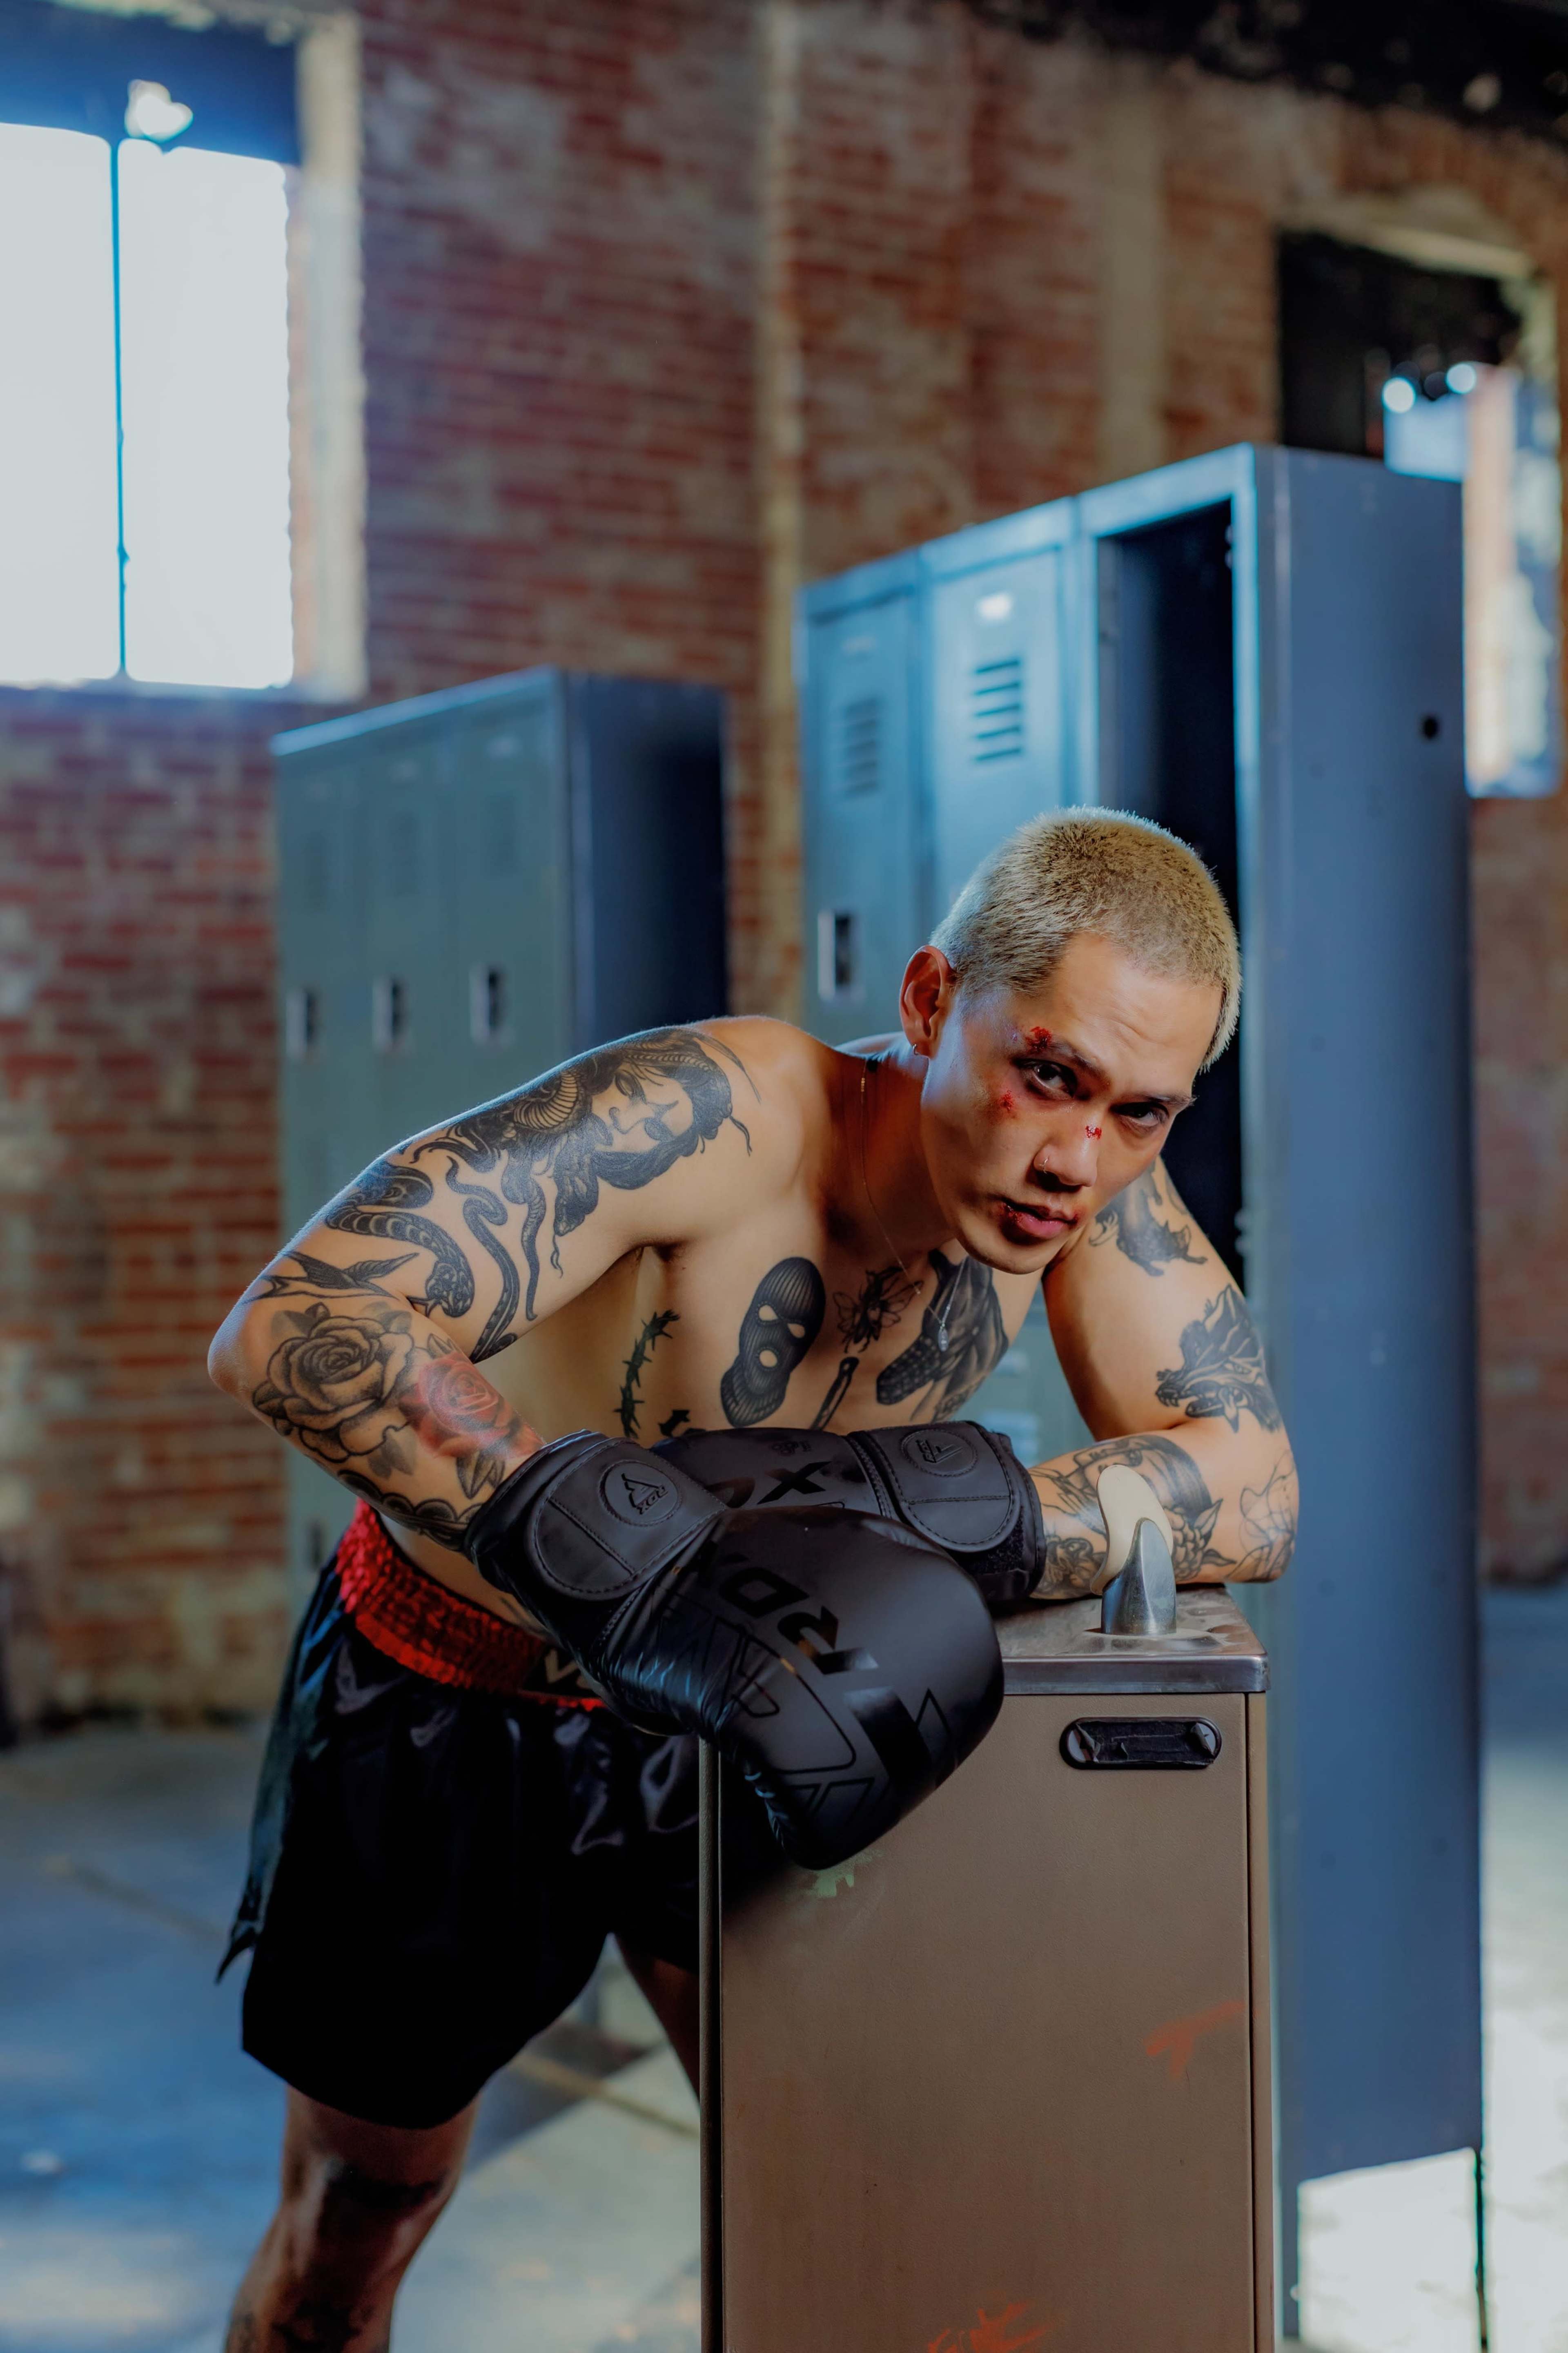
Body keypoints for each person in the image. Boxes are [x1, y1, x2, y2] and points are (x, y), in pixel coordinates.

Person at [209, 808, 1297, 2349]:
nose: (1076, 1154)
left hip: (734, 1714)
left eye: (1142, 1110)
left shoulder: (1089, 1186)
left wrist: (911, 1504)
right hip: (452, 1694)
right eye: (1045, 1072)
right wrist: (616, 1548)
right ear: (931, 1003)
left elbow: (1255, 1481)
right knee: (358, 2224)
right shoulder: (711, 1113)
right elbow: (297, 1319)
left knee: (848, 2184)